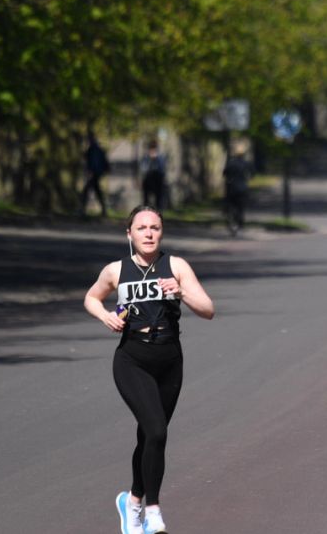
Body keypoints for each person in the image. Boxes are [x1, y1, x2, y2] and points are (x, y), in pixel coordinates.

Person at [83, 206, 215, 534]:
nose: (148, 233)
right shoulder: (116, 270)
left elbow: (208, 310)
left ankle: (131, 502)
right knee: (156, 430)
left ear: (161, 232)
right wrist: (105, 316)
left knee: (150, 436)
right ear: (129, 234)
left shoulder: (177, 266)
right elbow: (91, 297)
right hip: (132, 359)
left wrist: (181, 292)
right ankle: (152, 510)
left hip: (170, 359)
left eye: (154, 227)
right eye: (141, 228)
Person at [222, 142, 251, 235]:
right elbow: (252, 173)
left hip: (231, 187)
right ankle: (240, 223)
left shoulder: (231, 163)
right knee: (241, 207)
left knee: (231, 205)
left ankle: (231, 221)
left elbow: (224, 173)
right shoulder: (245, 163)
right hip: (242, 187)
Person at [83, 132, 111, 218]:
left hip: (95, 173)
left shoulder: (93, 150)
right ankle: (103, 210)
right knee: (96, 191)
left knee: (86, 191)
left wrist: (91, 172)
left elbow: (94, 163)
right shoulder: (96, 149)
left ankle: (82, 210)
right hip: (96, 173)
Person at [140, 140, 167, 210]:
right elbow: (143, 169)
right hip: (148, 180)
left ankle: (158, 211)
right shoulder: (146, 158)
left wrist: (156, 159)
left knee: (158, 199)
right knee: (146, 199)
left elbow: (162, 169)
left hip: (157, 180)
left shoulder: (160, 158)